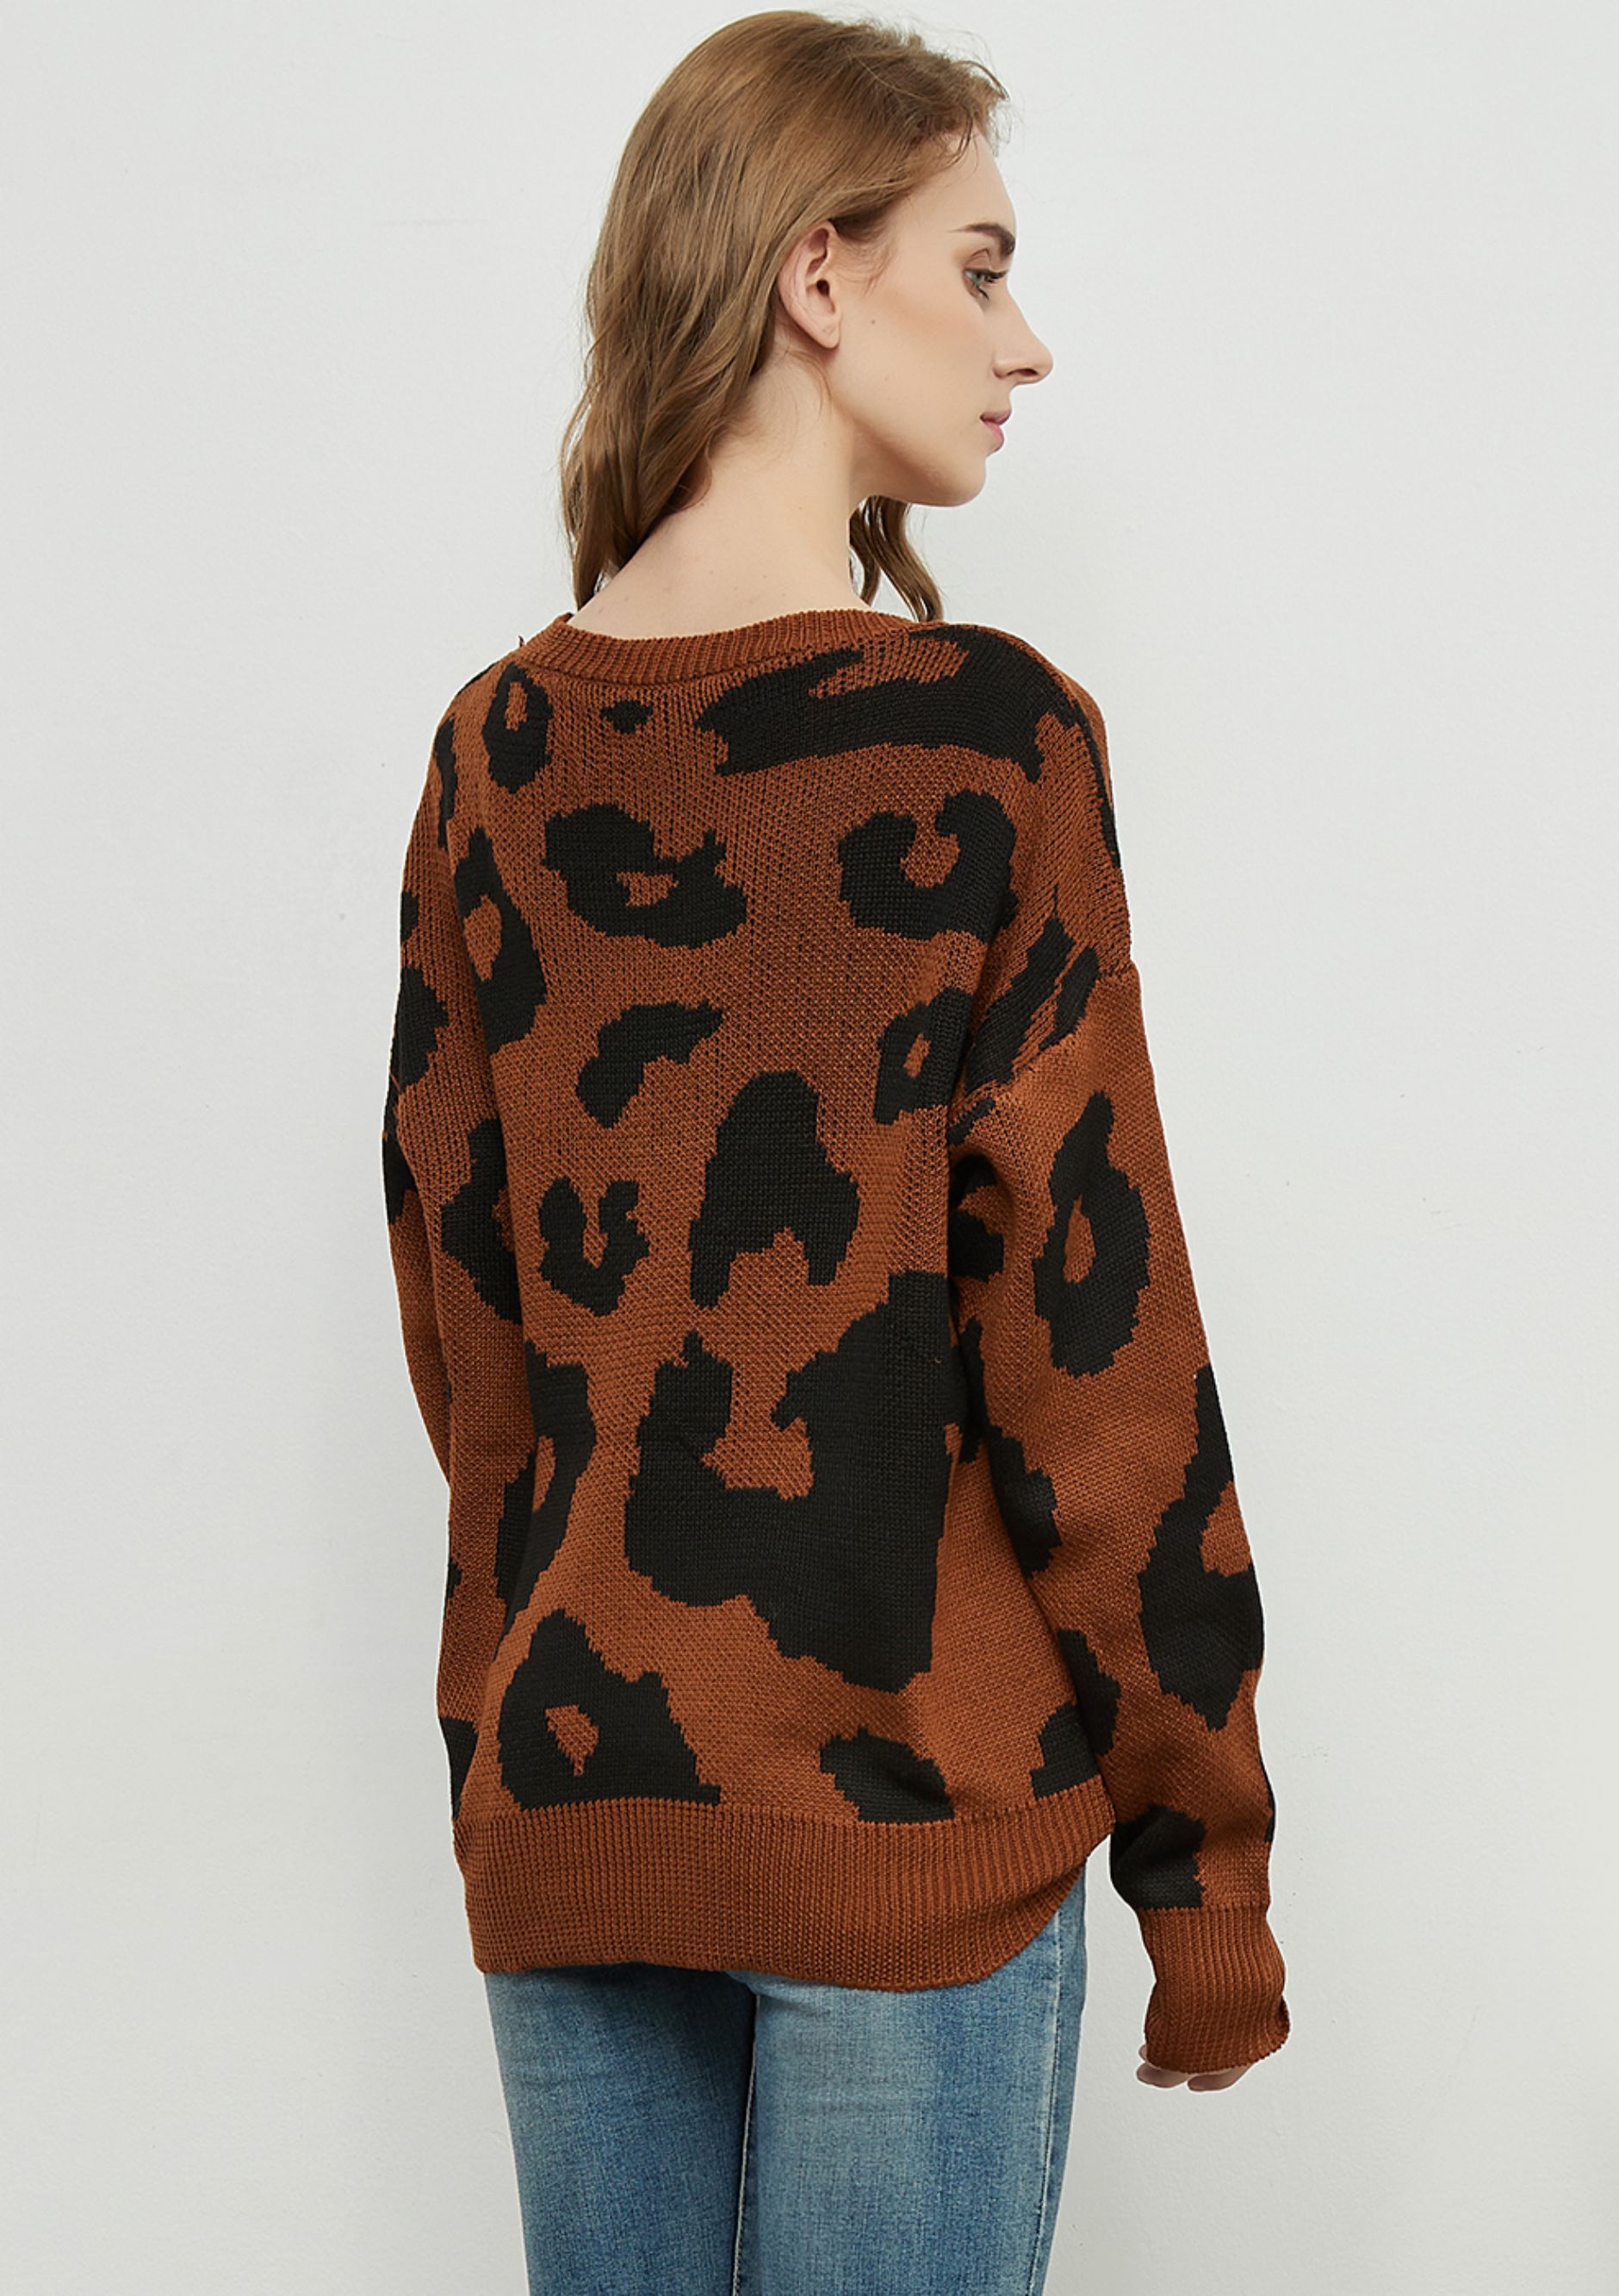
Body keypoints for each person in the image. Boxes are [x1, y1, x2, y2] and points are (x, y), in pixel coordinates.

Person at [381, 13, 1291, 2292]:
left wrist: (510, 1744)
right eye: (979, 269)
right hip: (913, 1825)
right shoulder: (990, 745)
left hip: (577, 1808)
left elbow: (468, 1341)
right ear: (816, 276)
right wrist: (1207, 1871)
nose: (1026, 342)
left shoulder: (497, 753)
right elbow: (1099, 1345)